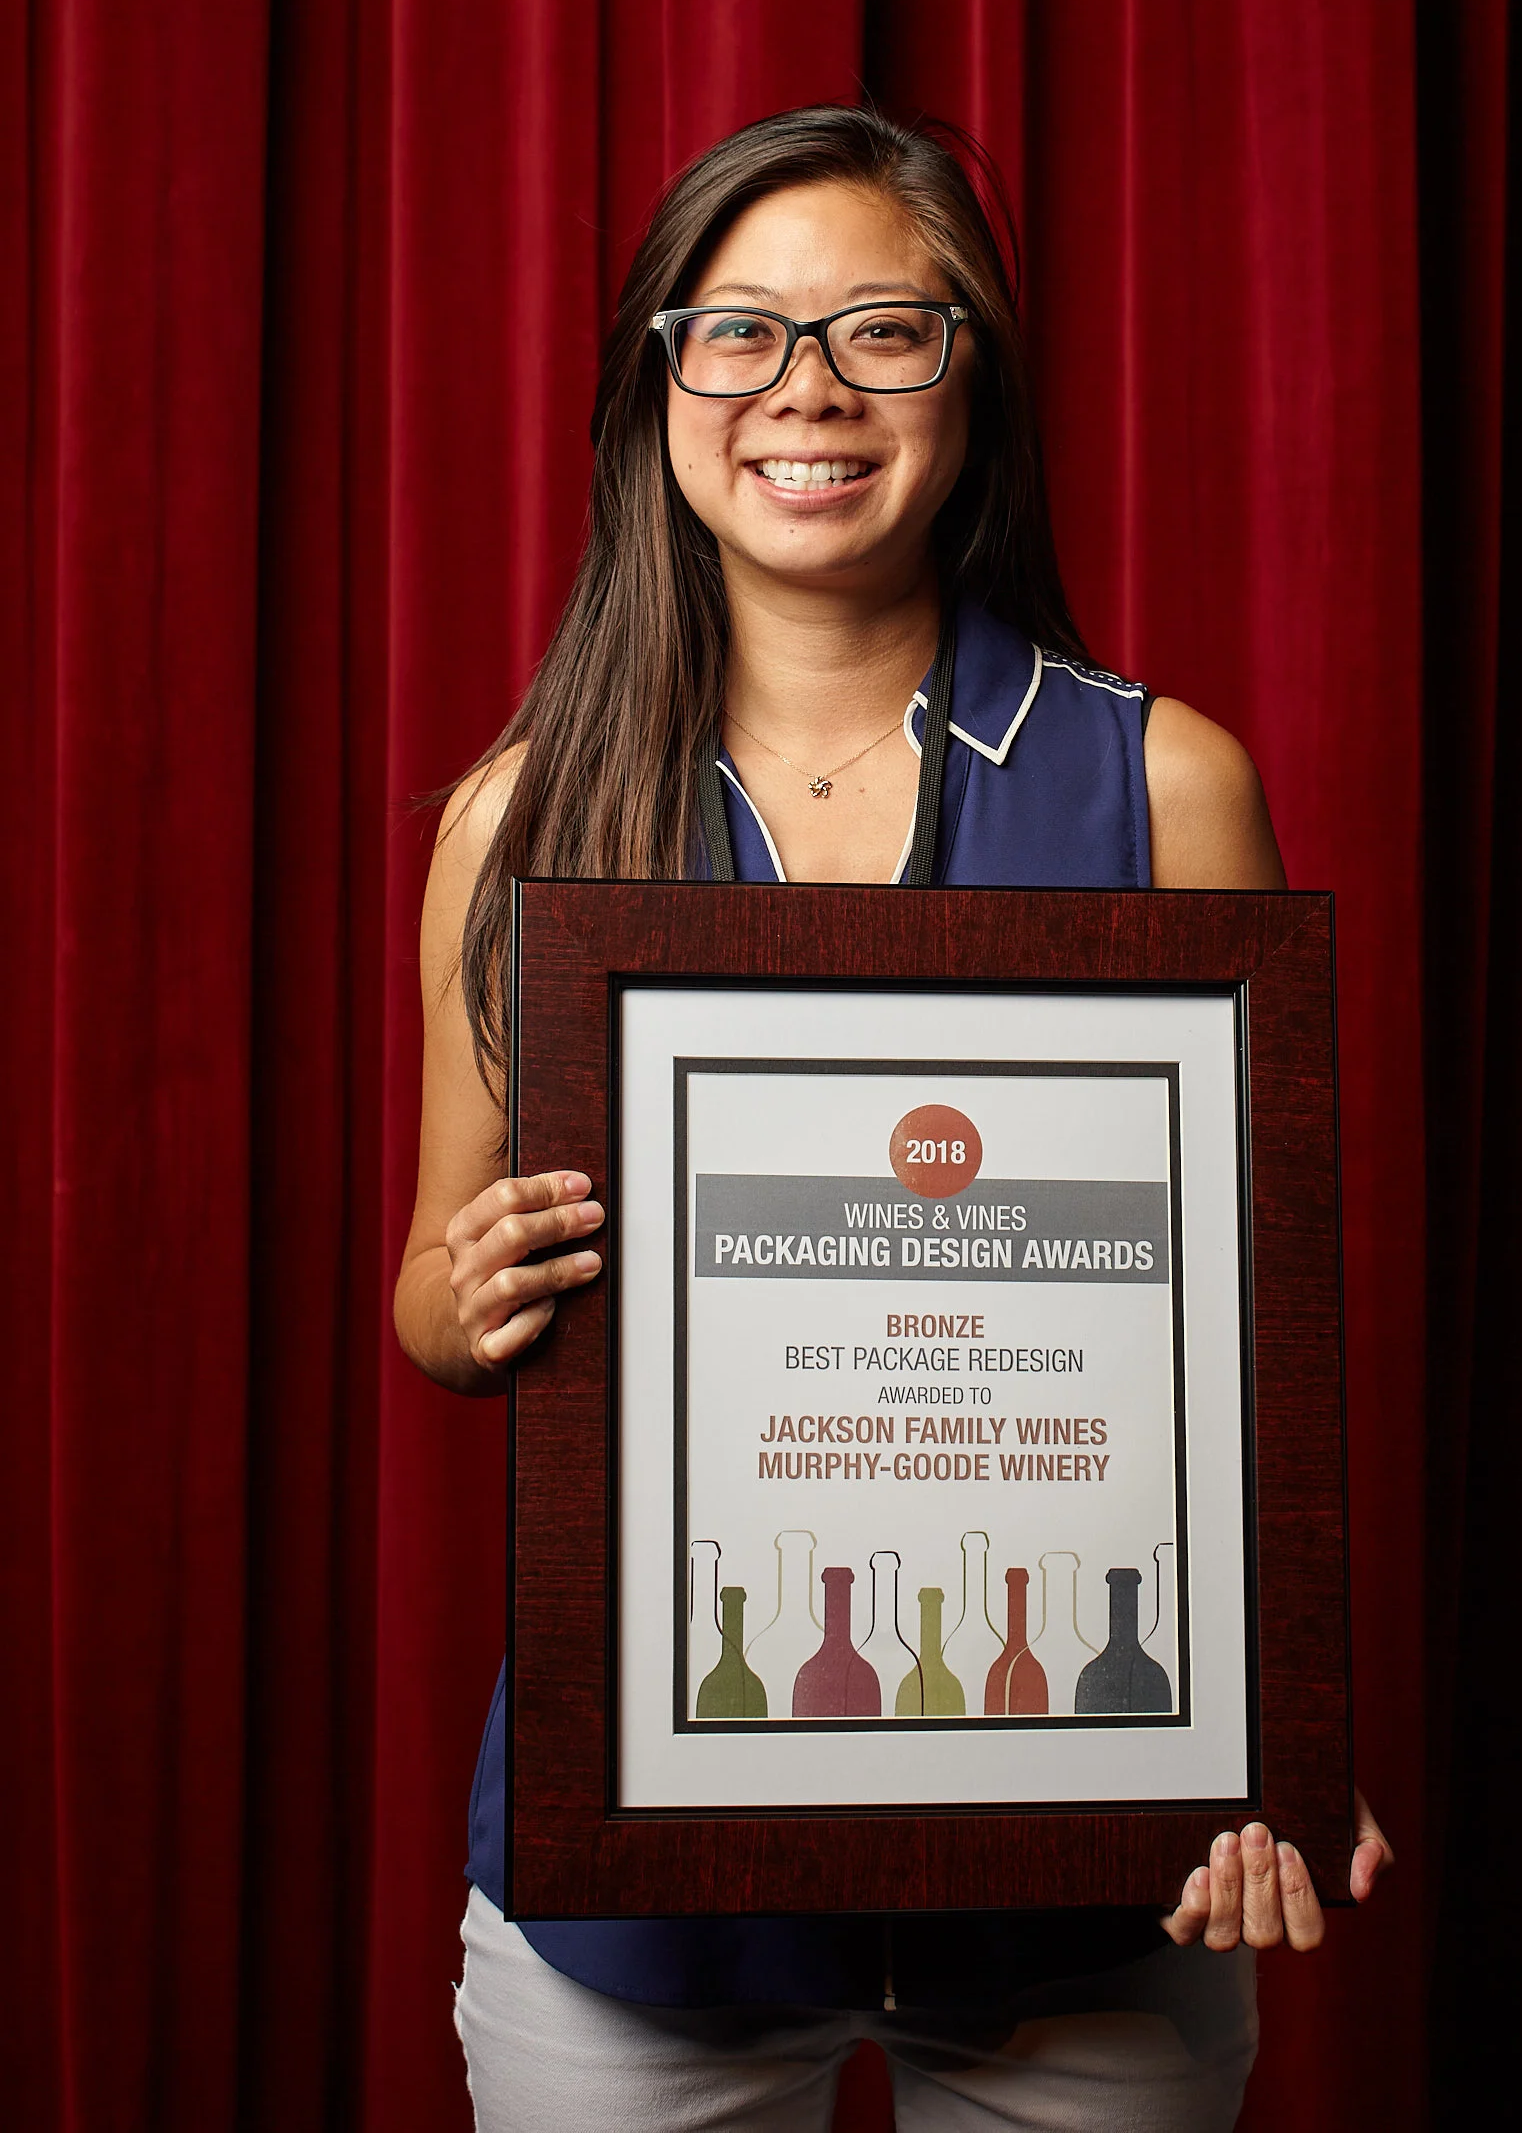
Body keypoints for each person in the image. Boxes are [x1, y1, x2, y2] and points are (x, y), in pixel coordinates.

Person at [394, 105, 1392, 2131]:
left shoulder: (1161, 783)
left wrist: (1274, 1707)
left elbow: (1235, 1337)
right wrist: (471, 1282)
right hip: (640, 1889)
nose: (806, 391)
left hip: (1084, 1883)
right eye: (739, 332)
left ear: (972, 380)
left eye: (881, 330)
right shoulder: (524, 815)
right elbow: (426, 1283)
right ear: (657, 384)